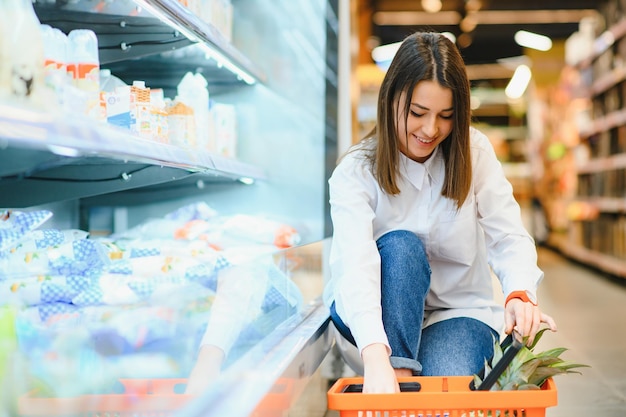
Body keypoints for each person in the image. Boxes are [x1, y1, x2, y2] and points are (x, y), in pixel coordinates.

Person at [323, 31, 557, 394]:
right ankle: (397, 379)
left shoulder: (474, 152)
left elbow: (507, 233)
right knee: (401, 247)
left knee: (447, 390)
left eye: (446, 116)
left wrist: (520, 294)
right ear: (390, 101)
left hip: (456, 314)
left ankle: (403, 388)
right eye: (417, 113)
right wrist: (375, 356)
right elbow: (355, 265)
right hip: (373, 322)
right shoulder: (356, 171)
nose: (431, 130)